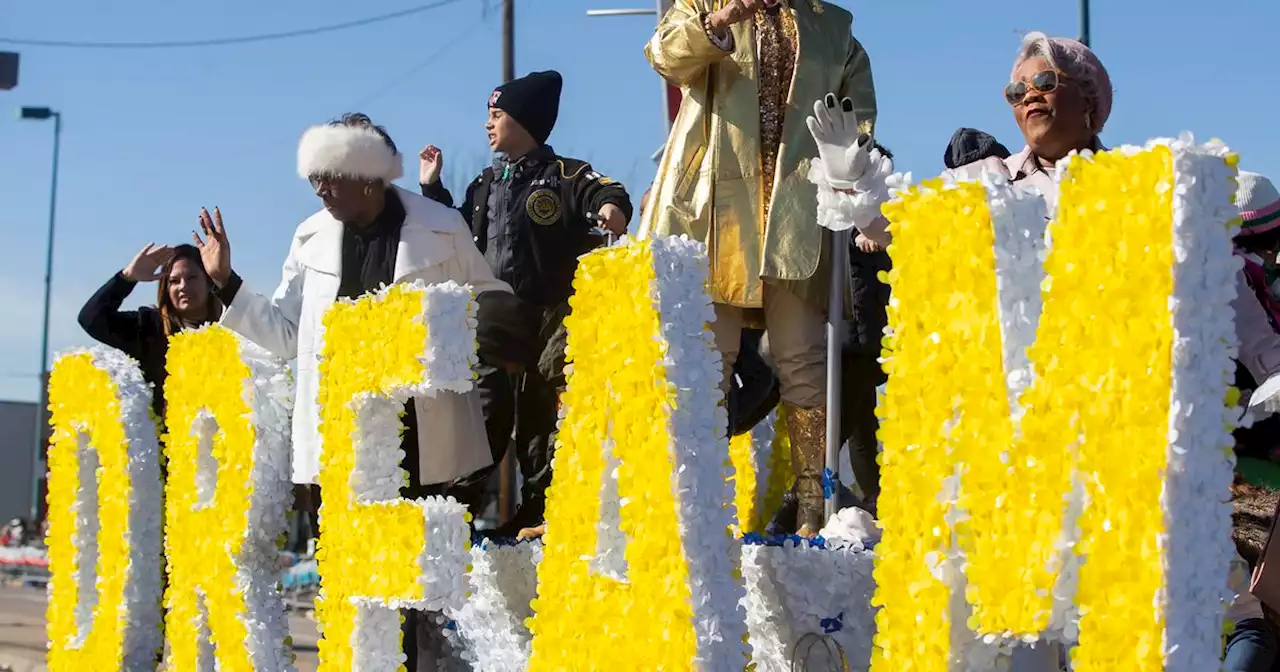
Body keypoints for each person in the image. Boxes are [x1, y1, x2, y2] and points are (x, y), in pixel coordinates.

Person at [194, 112, 527, 669]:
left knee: (415, 586)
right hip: (342, 444)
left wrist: (451, 333)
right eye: (314, 178)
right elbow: (286, 336)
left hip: (422, 437)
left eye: (331, 174)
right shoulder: (309, 237)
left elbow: (491, 304)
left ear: (371, 173)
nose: (320, 188)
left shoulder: (442, 226)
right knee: (355, 592)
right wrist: (227, 283)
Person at [643, 0, 877, 536]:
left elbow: (858, 113)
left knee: (804, 359)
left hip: (796, 213)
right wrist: (719, 22)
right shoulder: (702, 3)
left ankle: (812, 511)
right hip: (714, 210)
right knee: (707, 360)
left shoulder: (831, 25)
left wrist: (849, 156)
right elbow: (663, 54)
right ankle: (698, 512)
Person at [417, 70, 634, 538]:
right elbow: (451, 230)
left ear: (524, 121)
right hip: (494, 316)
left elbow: (607, 191)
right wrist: (433, 191)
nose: (487, 125)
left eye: (496, 115)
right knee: (484, 411)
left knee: (541, 419)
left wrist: (611, 210)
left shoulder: (565, 175)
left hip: (551, 316)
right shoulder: (482, 183)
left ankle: (539, 508)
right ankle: (457, 510)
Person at [78, 243, 222, 417]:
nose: (183, 286)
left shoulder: (230, 327)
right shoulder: (149, 327)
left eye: (192, 278)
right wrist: (127, 278)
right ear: (166, 289)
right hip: (166, 441)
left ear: (208, 281)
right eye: (174, 281)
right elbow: (91, 319)